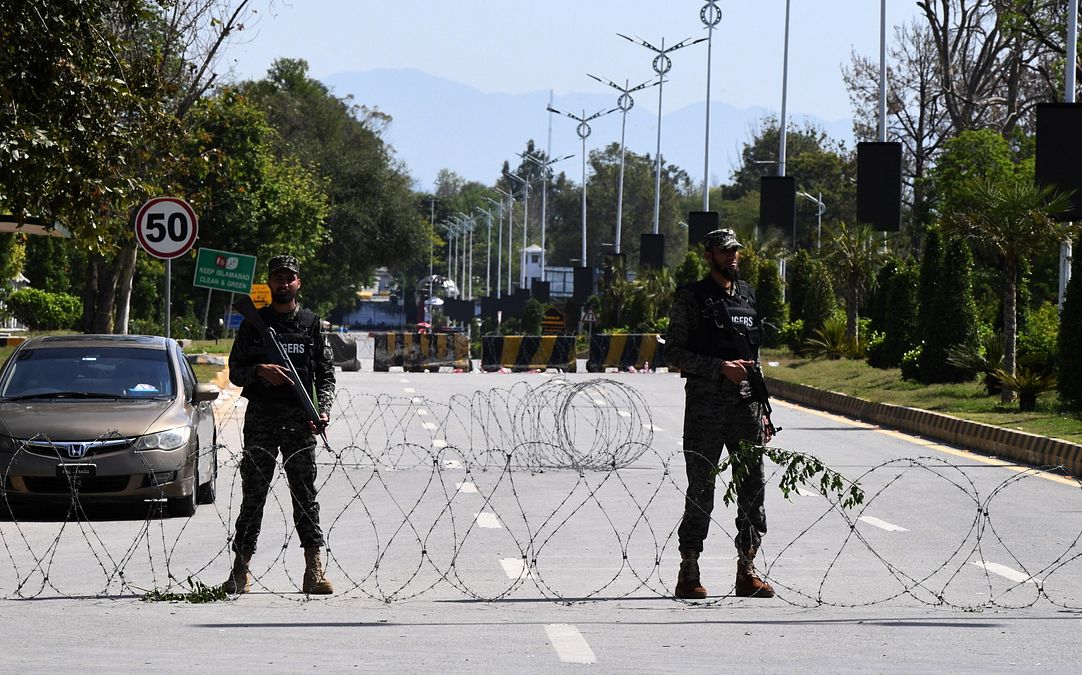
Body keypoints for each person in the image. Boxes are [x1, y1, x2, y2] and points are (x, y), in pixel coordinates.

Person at [665, 228, 775, 599]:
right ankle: (689, 568)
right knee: (702, 489)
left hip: (746, 408)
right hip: (705, 409)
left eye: (736, 251)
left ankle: (747, 568)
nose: (733, 257)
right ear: (709, 255)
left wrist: (763, 411)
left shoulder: (746, 297)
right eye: (726, 252)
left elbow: (754, 358)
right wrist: (718, 368)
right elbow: (674, 353)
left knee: (752, 488)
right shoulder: (692, 297)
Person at [222, 255, 336, 595]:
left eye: (290, 278)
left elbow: (325, 375)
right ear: (269, 283)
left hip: (299, 421)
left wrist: (322, 411)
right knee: (253, 495)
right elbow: (235, 371)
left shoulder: (311, 324)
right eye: (278, 278)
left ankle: (313, 570)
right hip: (261, 421)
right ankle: (240, 569)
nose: (284, 284)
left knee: (305, 496)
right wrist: (260, 371)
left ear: (298, 283)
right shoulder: (253, 324)